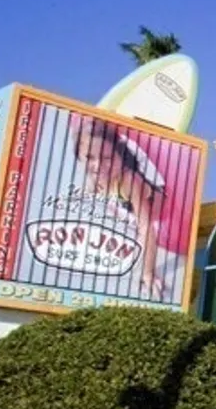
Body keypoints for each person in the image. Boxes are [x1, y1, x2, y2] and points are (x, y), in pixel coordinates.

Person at [70, 116, 171, 300]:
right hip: (121, 200)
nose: (97, 165)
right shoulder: (95, 177)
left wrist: (148, 273)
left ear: (119, 156)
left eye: (107, 158)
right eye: (89, 157)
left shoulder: (129, 181)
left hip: (155, 206)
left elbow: (146, 227)